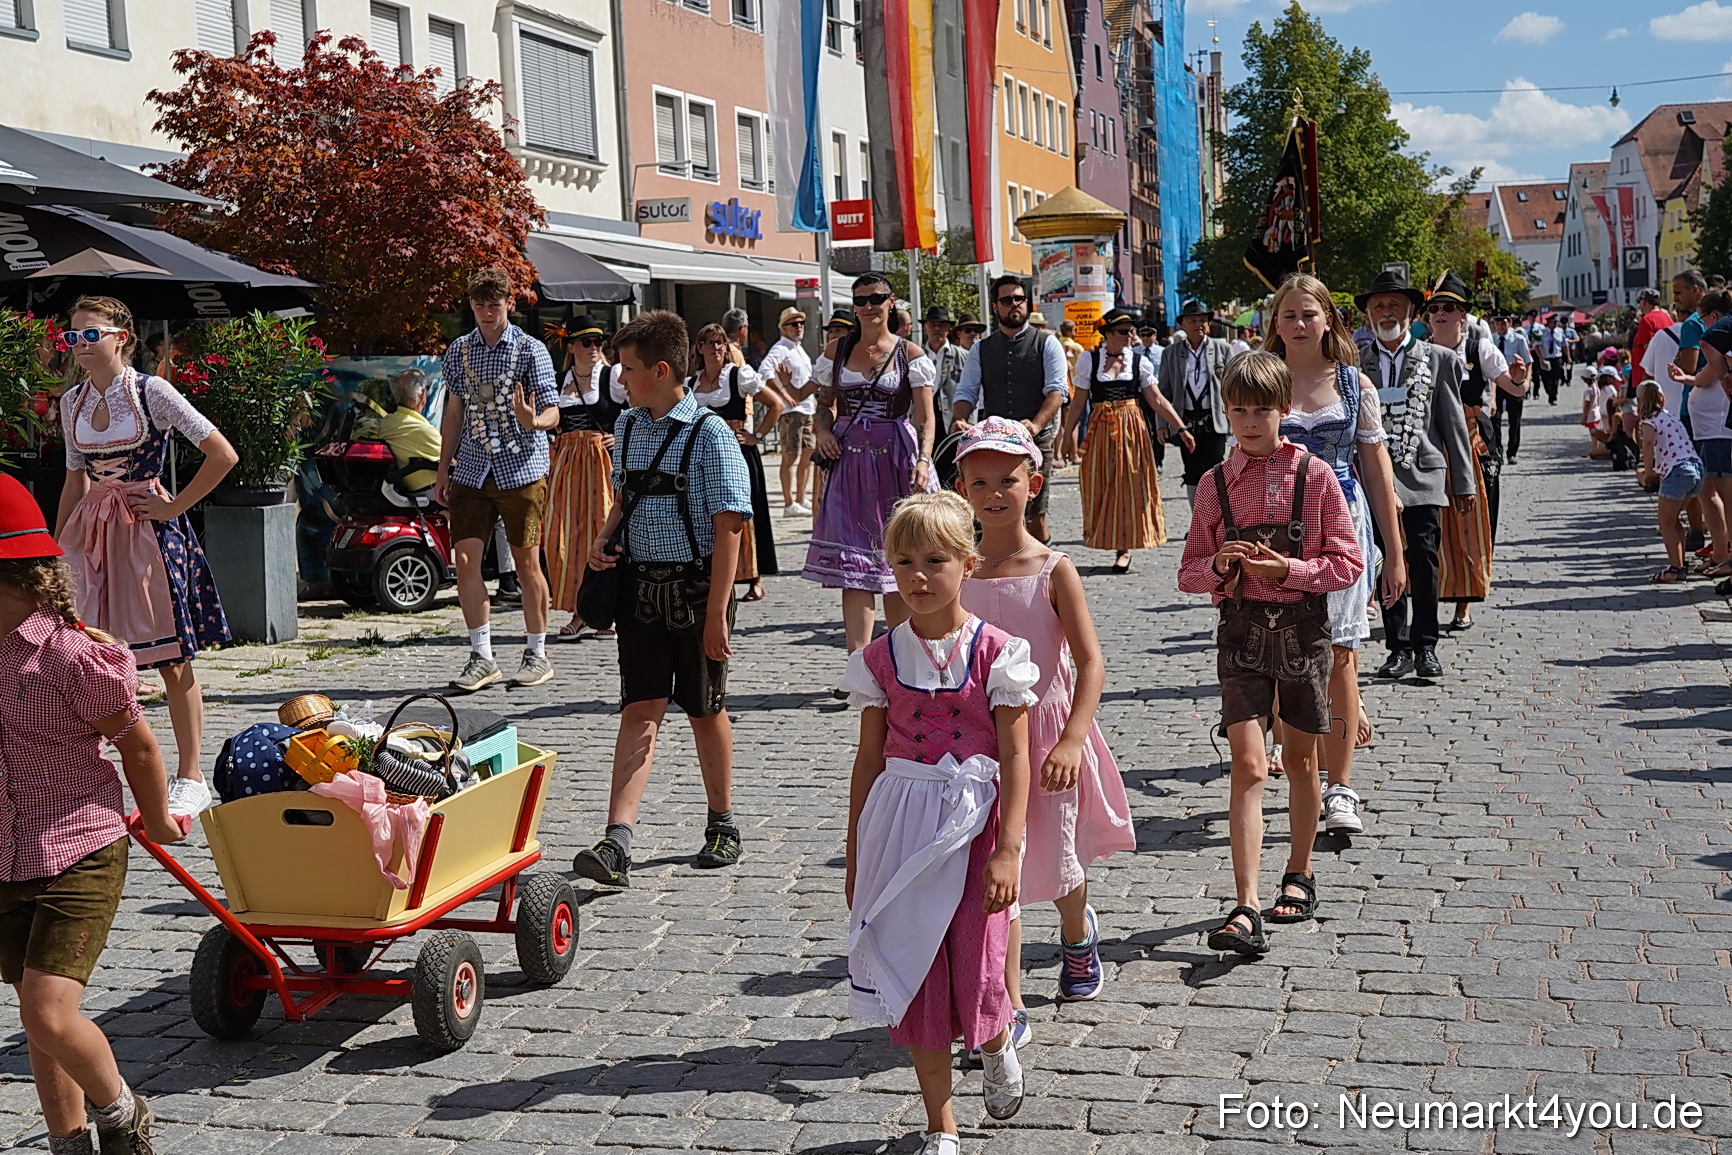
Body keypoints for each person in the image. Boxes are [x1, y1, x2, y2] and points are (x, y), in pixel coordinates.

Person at [0, 472, 188, 1155]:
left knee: (47, 1013)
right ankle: (69, 1143)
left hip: (79, 848)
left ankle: (122, 1113)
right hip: (8, 855)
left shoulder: (70, 656)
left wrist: (158, 817)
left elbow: (137, 745)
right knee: (38, 1014)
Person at [843, 490, 1034, 1150]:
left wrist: (1009, 848)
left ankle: (995, 1037)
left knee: (978, 961)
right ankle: (940, 1125)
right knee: (918, 972)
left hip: (976, 824)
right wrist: (856, 854)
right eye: (904, 563)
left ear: (967, 565)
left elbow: (1016, 753)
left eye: (934, 561)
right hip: (902, 825)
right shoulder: (880, 657)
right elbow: (868, 760)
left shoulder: (998, 652)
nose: (918, 577)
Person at [1177, 352, 1364, 955]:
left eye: (1262, 409)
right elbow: (1187, 573)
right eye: (1239, 410)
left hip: (1304, 635)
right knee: (1250, 766)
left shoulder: (1316, 476)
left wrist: (1289, 569)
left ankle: (1299, 872)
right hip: (1241, 637)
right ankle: (1245, 904)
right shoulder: (1214, 484)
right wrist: (1219, 566)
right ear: (1226, 413)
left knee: (1303, 763)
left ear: (1284, 409)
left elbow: (1348, 563)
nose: (1251, 421)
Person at [956, 419, 1134, 1024]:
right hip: (980, 740)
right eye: (980, 483)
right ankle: (1004, 1000)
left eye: (1007, 480)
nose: (994, 493)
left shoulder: (1052, 568)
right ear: (962, 489)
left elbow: (1090, 662)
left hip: (1045, 734)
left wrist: (1073, 739)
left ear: (1032, 484)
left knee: (1058, 857)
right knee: (993, 859)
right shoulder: (959, 569)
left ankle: (1077, 934)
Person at [571, 310, 753, 886]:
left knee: (705, 709)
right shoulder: (627, 426)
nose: (620, 379)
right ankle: (616, 840)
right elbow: (624, 497)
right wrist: (603, 539)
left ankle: (722, 823)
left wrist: (718, 613)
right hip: (639, 588)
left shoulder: (710, 435)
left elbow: (730, 526)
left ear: (661, 371)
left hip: (697, 590)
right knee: (639, 708)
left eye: (628, 369)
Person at [54, 296, 238, 819]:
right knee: (86, 653)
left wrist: (174, 506)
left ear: (122, 338)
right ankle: (88, 772)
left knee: (171, 658)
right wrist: (53, 548)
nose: (80, 344)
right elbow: (75, 479)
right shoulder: (71, 403)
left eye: (91, 334)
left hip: (146, 532)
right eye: (73, 336)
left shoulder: (152, 391)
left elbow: (222, 453)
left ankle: (191, 775)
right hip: (91, 533)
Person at [1265, 274, 1406, 835]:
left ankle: (1340, 786)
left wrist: (1394, 552)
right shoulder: (1263, 379)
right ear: (1276, 323)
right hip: (1274, 528)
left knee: (1341, 655)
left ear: (1328, 319)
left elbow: (1377, 469)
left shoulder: (1353, 383)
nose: (1300, 324)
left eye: (1309, 314)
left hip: (1341, 525)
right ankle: (1297, 761)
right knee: (1283, 648)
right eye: (1289, 315)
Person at [435, 268, 559, 692]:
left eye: (495, 304)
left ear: (509, 304)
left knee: (526, 562)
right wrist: (443, 467)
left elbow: (552, 409)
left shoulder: (530, 350)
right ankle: (482, 656)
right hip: (472, 467)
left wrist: (534, 420)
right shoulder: (460, 351)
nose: (487, 312)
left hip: (521, 467)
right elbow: (454, 413)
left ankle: (536, 652)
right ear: (470, 306)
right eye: (480, 305)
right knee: (465, 560)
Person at [805, 272, 939, 656]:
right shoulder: (837, 350)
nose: (868, 306)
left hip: (895, 460)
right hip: (849, 464)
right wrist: (823, 431)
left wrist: (923, 460)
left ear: (890, 302)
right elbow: (823, 405)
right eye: (860, 300)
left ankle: (900, 658)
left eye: (876, 298)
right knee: (855, 569)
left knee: (898, 560)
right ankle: (858, 663)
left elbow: (925, 417)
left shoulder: (910, 354)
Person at [1355, 268, 1475, 681]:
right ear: (1368, 315)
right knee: (1383, 558)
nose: (1386, 312)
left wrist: (1463, 482)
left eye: (1395, 305)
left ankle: (1426, 646)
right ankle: (1398, 646)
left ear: (1410, 312)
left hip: (1423, 474)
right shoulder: (1356, 363)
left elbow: (1453, 424)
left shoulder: (1438, 359)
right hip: (1375, 479)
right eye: (1379, 306)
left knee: (1423, 560)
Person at [1058, 307, 1192, 573]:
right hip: (1101, 429)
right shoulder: (1089, 360)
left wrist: (1181, 428)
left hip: (1132, 429)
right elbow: (1078, 403)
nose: (1130, 335)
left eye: (1131, 330)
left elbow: (1157, 400)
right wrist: (1066, 438)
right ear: (1107, 334)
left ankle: (1125, 547)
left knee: (1131, 485)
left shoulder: (1137, 362)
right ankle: (1109, 539)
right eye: (1123, 331)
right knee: (1101, 484)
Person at [952, 275, 1069, 543]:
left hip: (1035, 440)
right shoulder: (981, 349)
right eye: (1007, 300)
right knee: (992, 513)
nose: (1014, 304)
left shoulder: (1047, 343)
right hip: (991, 444)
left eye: (1019, 299)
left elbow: (1057, 391)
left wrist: (1036, 424)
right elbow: (966, 391)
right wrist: (960, 418)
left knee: (1036, 514)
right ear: (995, 306)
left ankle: (1041, 563)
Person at [1422, 274, 1505, 631]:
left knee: (1472, 523)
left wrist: (1521, 378)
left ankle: (1463, 606)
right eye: (1434, 308)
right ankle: (1426, 602)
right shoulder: (1418, 352)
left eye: (1449, 307)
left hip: (1474, 442)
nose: (1440, 313)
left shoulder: (1477, 349)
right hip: (1430, 443)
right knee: (1430, 525)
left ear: (1463, 314)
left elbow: (1512, 386)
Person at [690, 324, 782, 603]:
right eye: (709, 343)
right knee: (710, 515)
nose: (716, 348)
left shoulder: (738, 375)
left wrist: (757, 436)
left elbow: (776, 404)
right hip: (704, 457)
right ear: (700, 348)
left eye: (720, 343)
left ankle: (755, 578)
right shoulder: (692, 383)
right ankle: (718, 577)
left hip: (738, 453)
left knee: (746, 512)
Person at [547, 317, 625, 639]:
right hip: (566, 464)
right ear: (571, 346)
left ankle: (609, 612)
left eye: (598, 342)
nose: (594, 347)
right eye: (586, 342)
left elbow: (640, 407)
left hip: (601, 462)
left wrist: (620, 435)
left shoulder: (612, 375)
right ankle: (580, 610)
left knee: (602, 532)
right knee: (566, 536)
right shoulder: (558, 380)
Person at [1157, 298, 1235, 504]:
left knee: (1216, 469)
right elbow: (1163, 393)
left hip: (1214, 419)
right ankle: (1197, 517)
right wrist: (1162, 424)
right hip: (1186, 422)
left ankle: (1217, 516)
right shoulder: (1171, 353)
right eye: (1193, 320)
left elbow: (1234, 388)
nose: (1199, 324)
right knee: (1192, 470)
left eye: (1202, 320)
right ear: (1183, 324)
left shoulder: (1223, 349)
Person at [1638, 382, 1705, 582]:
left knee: (1665, 522)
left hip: (1677, 472)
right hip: (1695, 468)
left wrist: (1648, 472)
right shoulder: (1671, 417)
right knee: (1673, 519)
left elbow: (1648, 443)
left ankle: (1675, 569)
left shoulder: (1649, 421)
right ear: (1662, 399)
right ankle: (1680, 563)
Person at [761, 307, 816, 519]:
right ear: (784, 328)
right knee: (790, 455)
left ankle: (801, 498)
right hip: (792, 411)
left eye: (801, 323)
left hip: (807, 409)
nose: (799, 327)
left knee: (808, 454)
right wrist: (783, 392)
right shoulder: (781, 349)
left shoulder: (798, 349)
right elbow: (764, 371)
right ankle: (788, 502)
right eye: (794, 324)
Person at [1489, 311, 1530, 463]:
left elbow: (1528, 362)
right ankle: (1497, 451)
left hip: (1514, 382)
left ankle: (1512, 452)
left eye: (1503, 323)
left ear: (1509, 323)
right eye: (1497, 323)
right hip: (1496, 383)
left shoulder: (1518, 340)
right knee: (1495, 419)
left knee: (1515, 420)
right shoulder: (1490, 340)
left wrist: (1526, 382)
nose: (1500, 326)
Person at [922, 306, 967, 422]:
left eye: (941, 324)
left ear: (949, 328)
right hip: (924, 418)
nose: (937, 328)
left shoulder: (964, 356)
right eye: (932, 324)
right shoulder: (916, 356)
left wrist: (968, 422)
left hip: (953, 420)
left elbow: (972, 391)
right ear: (925, 328)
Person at [1630, 288, 1670, 390]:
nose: (1639, 305)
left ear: (1644, 301)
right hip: (1663, 373)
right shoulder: (1667, 317)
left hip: (1648, 378)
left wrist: (1647, 376)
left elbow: (1648, 350)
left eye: (1639, 301)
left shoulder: (1647, 320)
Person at [1537, 313, 1567, 405]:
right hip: (1545, 358)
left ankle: (1553, 397)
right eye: (1553, 322)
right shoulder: (1541, 332)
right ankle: (1549, 393)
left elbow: (1564, 345)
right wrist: (1541, 358)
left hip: (1556, 358)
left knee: (1555, 379)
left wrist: (1568, 357)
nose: (1555, 324)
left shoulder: (1560, 331)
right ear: (1549, 322)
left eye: (1556, 322)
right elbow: (1537, 346)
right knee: (1545, 379)